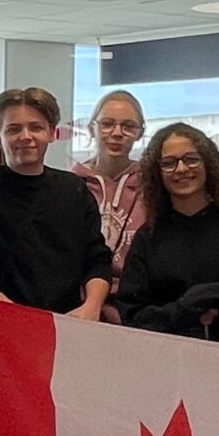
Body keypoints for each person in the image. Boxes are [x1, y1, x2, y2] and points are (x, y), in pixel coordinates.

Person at [113, 122, 219, 344]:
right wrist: (184, 310)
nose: (181, 169)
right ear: (158, 173)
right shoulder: (148, 236)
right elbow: (131, 312)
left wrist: (208, 296)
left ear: (208, 164)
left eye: (191, 159)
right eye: (169, 163)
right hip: (162, 359)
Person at [0, 86, 113, 317]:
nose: (25, 137)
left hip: (69, 324)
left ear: (52, 133)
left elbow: (97, 259)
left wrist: (92, 306)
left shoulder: (75, 190)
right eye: (14, 129)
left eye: (36, 127)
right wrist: (8, 310)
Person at [71, 89, 148, 287]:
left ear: (140, 133)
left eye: (128, 126)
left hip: (133, 297)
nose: (117, 133)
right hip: (79, 294)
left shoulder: (151, 187)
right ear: (91, 128)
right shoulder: (71, 185)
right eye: (107, 124)